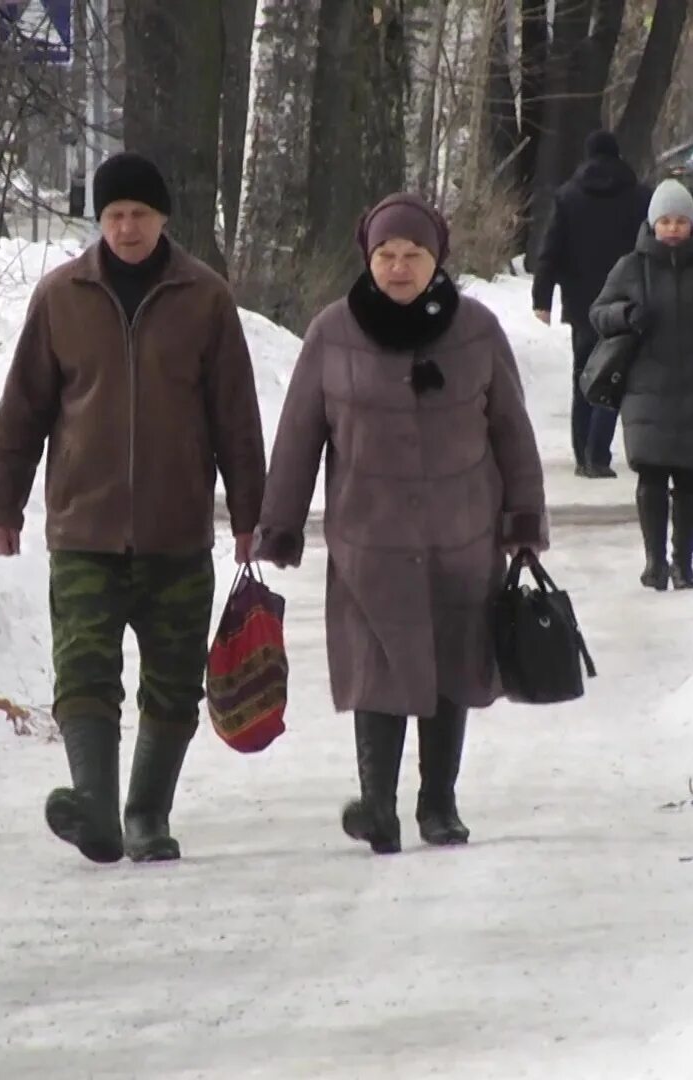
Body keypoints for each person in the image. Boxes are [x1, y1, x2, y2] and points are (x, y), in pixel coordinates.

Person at [0, 151, 268, 865]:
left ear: (163, 218)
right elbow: (23, 412)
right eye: (114, 215)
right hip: (85, 527)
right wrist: (3, 503)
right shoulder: (61, 297)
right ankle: (97, 813)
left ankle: (145, 815)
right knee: (84, 673)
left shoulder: (204, 298)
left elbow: (236, 416)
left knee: (172, 682)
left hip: (176, 533)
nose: (128, 227)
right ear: (98, 220)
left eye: (140, 214)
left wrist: (249, 513)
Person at [255, 193, 548, 855]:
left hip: (463, 534)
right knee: (376, 668)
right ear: (368, 257)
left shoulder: (476, 330)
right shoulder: (333, 332)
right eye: (385, 255)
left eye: (411, 255)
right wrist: (280, 522)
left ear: (435, 259)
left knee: (452, 669)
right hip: (369, 540)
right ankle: (379, 806)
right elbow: (299, 434)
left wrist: (522, 519)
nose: (397, 267)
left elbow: (512, 433)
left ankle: (438, 803)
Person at [590, 179, 693, 593]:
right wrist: (626, 314)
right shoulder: (630, 267)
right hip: (646, 390)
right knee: (650, 474)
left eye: (681, 221)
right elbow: (599, 314)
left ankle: (684, 563)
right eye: (665, 220)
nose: (673, 228)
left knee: (690, 479)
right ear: (653, 223)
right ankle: (654, 562)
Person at [532, 130, 654, 480]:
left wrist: (542, 299)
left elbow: (550, 251)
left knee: (584, 376)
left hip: (582, 303)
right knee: (613, 375)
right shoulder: (640, 197)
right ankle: (598, 454)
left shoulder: (568, 197)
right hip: (625, 302)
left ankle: (581, 453)